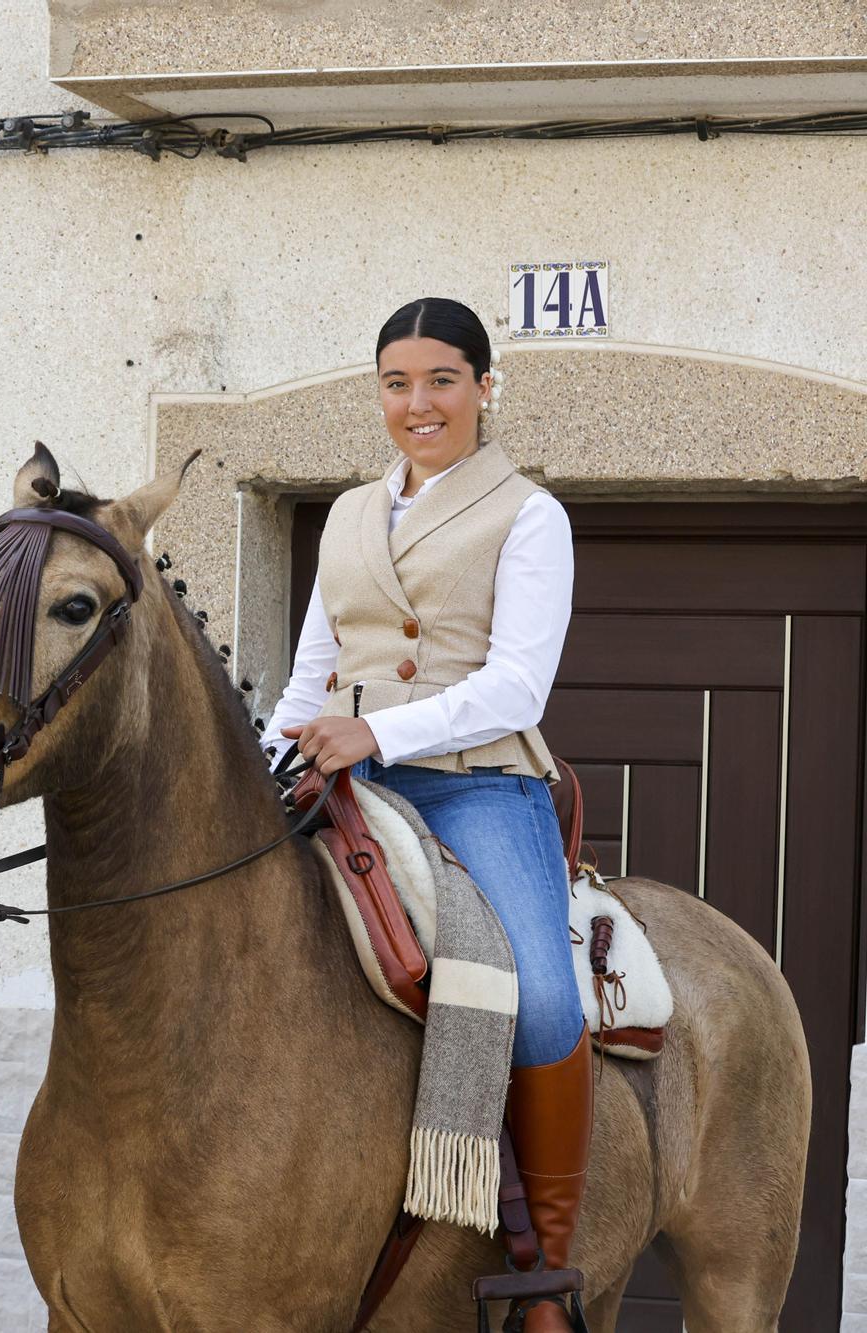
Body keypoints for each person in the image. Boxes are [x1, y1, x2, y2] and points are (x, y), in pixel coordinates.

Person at [260, 296, 588, 1329]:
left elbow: (516, 687)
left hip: (475, 780)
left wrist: (378, 734)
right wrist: (264, 762)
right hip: (338, 781)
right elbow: (312, 673)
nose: (418, 403)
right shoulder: (350, 514)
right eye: (397, 383)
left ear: (484, 389)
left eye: (441, 380)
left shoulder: (529, 514)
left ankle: (544, 1262)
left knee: (538, 998)